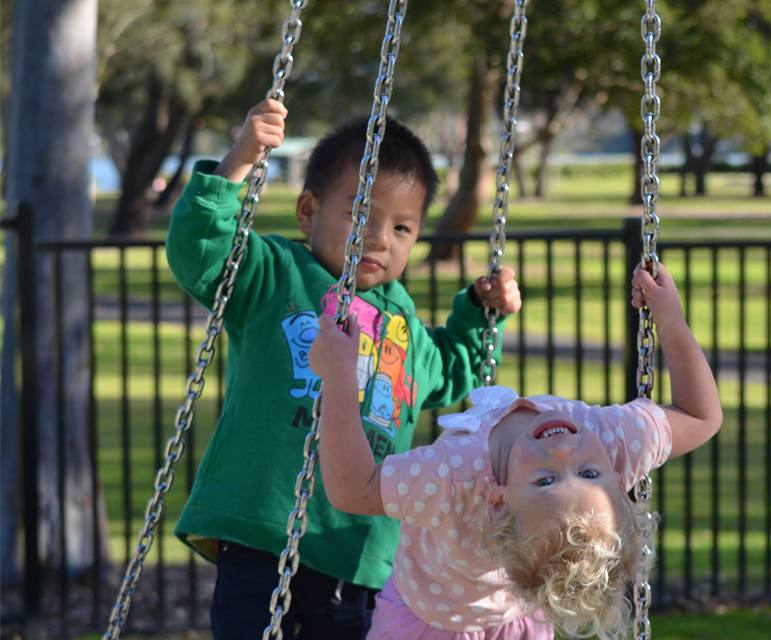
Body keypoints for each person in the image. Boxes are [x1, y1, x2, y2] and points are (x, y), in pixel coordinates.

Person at [166, 98, 522, 640]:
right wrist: (239, 159)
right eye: (362, 214)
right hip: (262, 529)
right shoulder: (274, 275)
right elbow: (202, 250)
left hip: (358, 548)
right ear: (308, 211)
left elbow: (454, 372)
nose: (380, 237)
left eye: (402, 228)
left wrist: (480, 308)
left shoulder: (401, 324)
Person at [309, 261, 723, 640]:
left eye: (545, 481)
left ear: (498, 502)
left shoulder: (455, 477)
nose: (564, 453)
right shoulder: (610, 441)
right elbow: (701, 416)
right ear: (619, 477)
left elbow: (353, 488)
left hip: (427, 624)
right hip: (484, 613)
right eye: (589, 474)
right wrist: (670, 318)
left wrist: (341, 373)